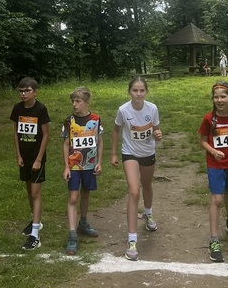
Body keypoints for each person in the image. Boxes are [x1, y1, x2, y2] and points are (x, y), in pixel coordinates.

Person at [110, 77, 162, 261]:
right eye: (135, 90)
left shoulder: (152, 108)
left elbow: (156, 131)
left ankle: (148, 213)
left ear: (146, 92)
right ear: (129, 92)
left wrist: (158, 135)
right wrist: (114, 153)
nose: (138, 94)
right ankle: (132, 240)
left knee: (146, 184)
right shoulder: (123, 110)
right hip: (130, 153)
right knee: (134, 191)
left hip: (147, 152)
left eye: (141, 90)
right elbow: (116, 130)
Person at [198, 81, 228, 263]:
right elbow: (202, 141)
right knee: (217, 199)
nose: (219, 100)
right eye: (216, 97)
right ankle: (214, 240)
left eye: (223, 96)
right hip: (215, 164)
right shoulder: (209, 119)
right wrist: (213, 152)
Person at [10, 77, 51, 251]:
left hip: (36, 157)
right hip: (24, 157)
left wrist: (39, 159)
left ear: (35, 92)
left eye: (27, 90)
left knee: (35, 193)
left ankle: (35, 235)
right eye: (21, 91)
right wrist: (18, 155)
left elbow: (46, 135)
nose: (23, 94)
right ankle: (36, 220)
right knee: (29, 190)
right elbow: (15, 132)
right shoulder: (17, 109)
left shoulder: (40, 109)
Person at [62, 87, 103, 255]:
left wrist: (99, 162)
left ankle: (83, 223)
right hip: (74, 166)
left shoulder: (96, 119)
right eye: (73, 101)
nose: (74, 104)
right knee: (73, 197)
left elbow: (99, 141)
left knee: (86, 193)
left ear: (87, 102)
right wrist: (66, 166)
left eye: (78, 101)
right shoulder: (69, 121)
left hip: (89, 165)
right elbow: (66, 144)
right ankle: (72, 235)